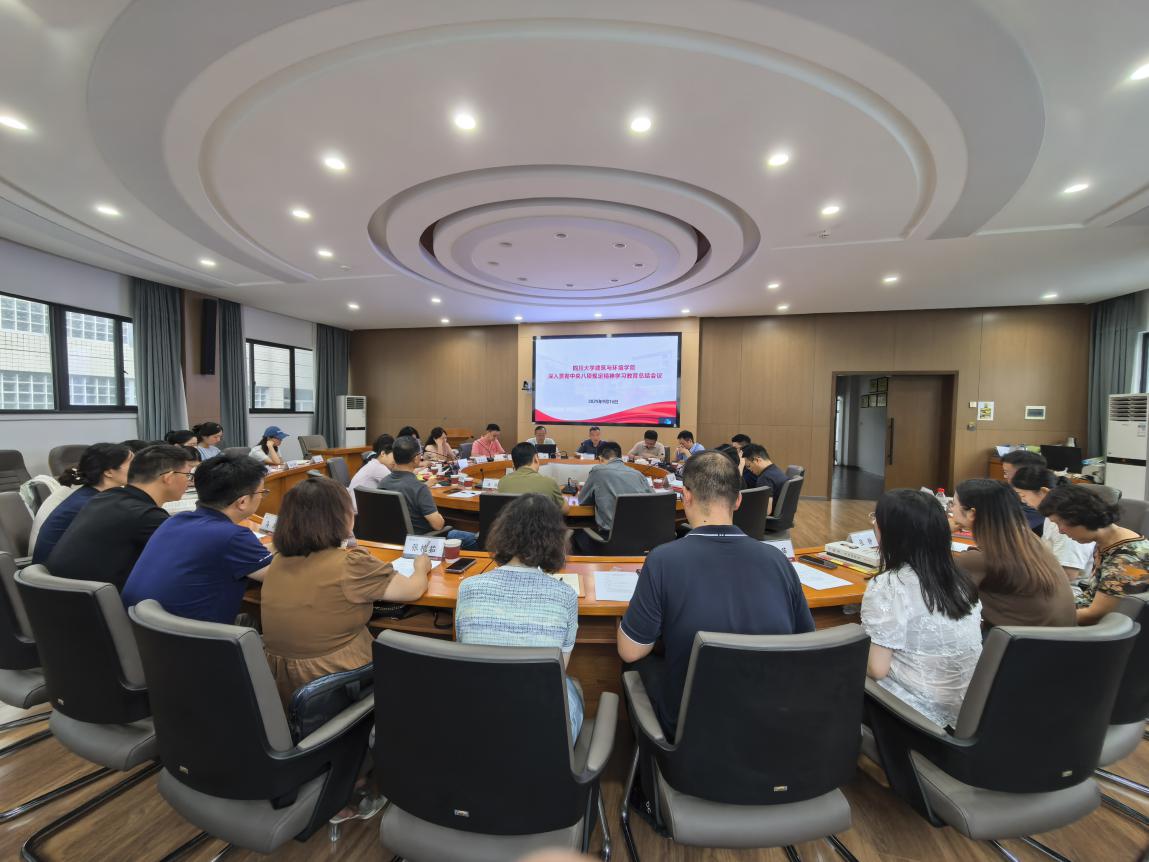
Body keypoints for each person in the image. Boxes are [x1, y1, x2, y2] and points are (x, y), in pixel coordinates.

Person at [617, 451, 814, 738]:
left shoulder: (662, 560)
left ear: (686, 496)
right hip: (769, 724)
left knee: (632, 662)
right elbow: (805, 643)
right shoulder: (778, 561)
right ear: (738, 500)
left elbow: (630, 650)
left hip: (691, 731)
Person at [261, 476, 430, 704]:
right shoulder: (351, 564)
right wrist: (421, 566)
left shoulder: (278, 559)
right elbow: (413, 590)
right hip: (335, 682)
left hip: (281, 681)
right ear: (341, 516)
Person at [455, 494, 584, 738]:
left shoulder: (468, 588)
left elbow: (465, 650)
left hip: (478, 719)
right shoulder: (566, 595)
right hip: (542, 730)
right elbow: (557, 670)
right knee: (571, 686)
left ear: (502, 532)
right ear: (555, 539)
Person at [861, 489, 982, 729]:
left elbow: (876, 669)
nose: (874, 524)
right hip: (966, 710)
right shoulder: (960, 579)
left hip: (915, 716)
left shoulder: (890, 585)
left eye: (877, 519)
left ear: (892, 532)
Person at [122, 453, 274, 622]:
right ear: (242, 502)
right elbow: (279, 576)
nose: (262, 497)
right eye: (262, 492)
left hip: (143, 628)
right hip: (193, 634)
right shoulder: (232, 536)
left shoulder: (176, 520)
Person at [46, 445, 194, 590]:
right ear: (168, 477)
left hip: (65, 595)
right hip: (102, 600)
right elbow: (188, 556)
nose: (189, 482)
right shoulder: (145, 515)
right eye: (187, 475)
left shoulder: (106, 497)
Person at [949, 479, 1075, 628]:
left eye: (954, 504)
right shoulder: (1026, 538)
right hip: (1061, 636)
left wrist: (940, 530)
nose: (951, 509)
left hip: (1024, 640)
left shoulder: (980, 559)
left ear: (971, 513)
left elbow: (936, 586)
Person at [1039, 485, 1149, 626]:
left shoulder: (1127, 559)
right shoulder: (1107, 541)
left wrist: (1038, 619)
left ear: (1080, 517)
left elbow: (1096, 616)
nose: (1060, 531)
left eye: (1060, 523)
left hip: (1092, 631)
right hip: (1080, 612)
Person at [31, 443, 133, 564]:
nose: (138, 467)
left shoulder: (92, 495)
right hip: (57, 573)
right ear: (109, 472)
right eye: (132, 463)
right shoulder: (92, 505)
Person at [378, 436, 478, 549]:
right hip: (422, 542)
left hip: (393, 541)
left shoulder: (383, 483)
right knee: (476, 539)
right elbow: (438, 526)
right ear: (416, 458)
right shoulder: (419, 488)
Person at [1009, 466, 1094, 582]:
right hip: (1048, 577)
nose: (1023, 501)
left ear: (1044, 492)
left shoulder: (1065, 521)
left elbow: (1068, 574)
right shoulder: (1050, 515)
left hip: (1066, 585)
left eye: (1023, 495)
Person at [575, 441, 652, 547]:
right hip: (642, 539)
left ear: (600, 458)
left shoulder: (598, 471)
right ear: (620, 457)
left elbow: (582, 501)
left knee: (576, 534)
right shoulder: (638, 474)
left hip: (610, 540)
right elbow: (653, 500)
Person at [498, 442, 565, 506]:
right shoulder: (550, 482)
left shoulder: (503, 482)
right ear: (536, 458)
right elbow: (565, 509)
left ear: (513, 463)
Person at [1000, 449, 1048, 533]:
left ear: (1024, 473)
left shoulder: (1037, 499)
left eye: (1007, 472)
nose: (1005, 476)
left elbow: (1012, 527)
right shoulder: (1011, 488)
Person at [740, 443, 788, 508]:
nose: (749, 470)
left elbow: (766, 511)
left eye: (748, 466)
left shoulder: (765, 478)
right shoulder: (776, 470)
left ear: (757, 460)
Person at [348, 434, 394, 498]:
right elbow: (395, 486)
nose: (394, 461)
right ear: (383, 454)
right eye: (393, 457)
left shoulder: (373, 463)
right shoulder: (379, 467)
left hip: (355, 501)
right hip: (359, 503)